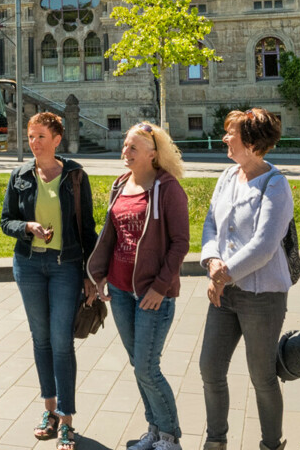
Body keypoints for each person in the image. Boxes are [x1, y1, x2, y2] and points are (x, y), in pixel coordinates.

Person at [87, 122, 191, 450]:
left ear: (153, 153)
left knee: (147, 366)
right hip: (119, 290)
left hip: (152, 294)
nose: (125, 152)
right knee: (138, 365)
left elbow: (180, 243)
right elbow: (111, 235)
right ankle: (154, 430)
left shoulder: (167, 188)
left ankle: (169, 436)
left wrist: (161, 286)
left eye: (133, 147)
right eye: (125, 145)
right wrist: (99, 275)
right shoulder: (120, 184)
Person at [0, 111, 100, 449]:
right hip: (28, 265)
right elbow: (5, 221)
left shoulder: (75, 176)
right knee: (40, 339)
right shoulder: (20, 175)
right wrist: (26, 228)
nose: (34, 142)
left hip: (64, 267)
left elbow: (87, 228)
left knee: (61, 341)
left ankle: (68, 419)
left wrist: (90, 274)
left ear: (57, 139)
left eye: (41, 135)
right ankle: (50, 410)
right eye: (30, 136)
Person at [198, 108, 293, 450]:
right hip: (224, 294)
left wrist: (224, 274)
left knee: (262, 376)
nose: (225, 138)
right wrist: (211, 260)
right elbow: (211, 224)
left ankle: (270, 443)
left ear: (252, 142)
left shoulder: (276, 184)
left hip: (262, 296)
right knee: (210, 367)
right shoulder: (227, 176)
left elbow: (264, 246)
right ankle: (216, 440)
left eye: (231, 134)